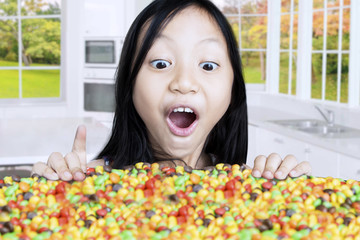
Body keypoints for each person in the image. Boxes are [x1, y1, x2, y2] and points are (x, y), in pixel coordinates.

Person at [32, 0, 311, 182]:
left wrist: (283, 198)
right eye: (161, 63)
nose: (184, 82)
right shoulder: (89, 182)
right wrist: (54, 198)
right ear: (130, 84)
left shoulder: (250, 187)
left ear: (233, 90)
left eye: (209, 65)